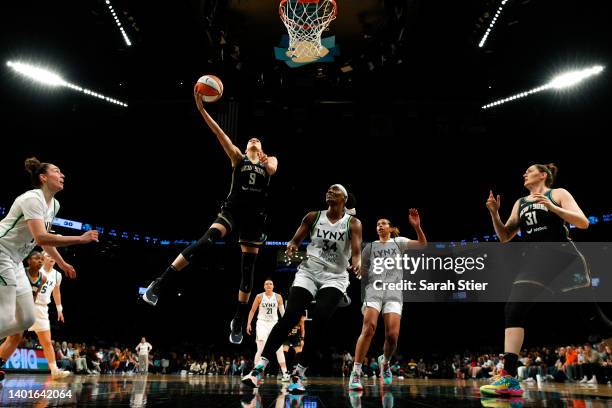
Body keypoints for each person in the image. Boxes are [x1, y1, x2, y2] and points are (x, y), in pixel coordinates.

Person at [143, 89, 278, 345]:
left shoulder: (268, 160)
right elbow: (219, 132)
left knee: (247, 271)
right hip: (233, 210)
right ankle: (160, 283)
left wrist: (266, 159)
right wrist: (202, 108)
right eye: (250, 140)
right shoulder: (237, 157)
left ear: (260, 147)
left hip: (255, 218)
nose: (253, 140)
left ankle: (238, 318)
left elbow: (272, 168)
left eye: (257, 140)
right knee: (205, 242)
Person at [480, 163, 589, 397]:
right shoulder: (520, 203)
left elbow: (583, 222)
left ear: (543, 175)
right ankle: (509, 379)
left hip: (564, 257)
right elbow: (504, 237)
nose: (524, 174)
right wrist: (494, 213)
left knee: (592, 318)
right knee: (513, 309)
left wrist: (552, 207)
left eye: (529, 171)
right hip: (537, 260)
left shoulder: (557, 193)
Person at [242, 184, 362, 393]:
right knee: (289, 316)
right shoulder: (313, 217)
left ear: (344, 198)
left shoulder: (353, 223)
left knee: (320, 317)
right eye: (328, 190)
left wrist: (358, 263)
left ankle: (299, 373)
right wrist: (292, 246)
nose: (329, 191)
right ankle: (259, 368)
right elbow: (295, 241)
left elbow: (357, 252)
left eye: (335, 190)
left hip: (334, 277)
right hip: (309, 272)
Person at [0, 157, 98, 381]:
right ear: (43, 177)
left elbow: (44, 243)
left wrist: (62, 264)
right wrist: (80, 239)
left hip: (15, 260)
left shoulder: (54, 205)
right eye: (57, 171)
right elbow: (41, 236)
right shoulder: (31, 198)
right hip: (1, 253)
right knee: (5, 319)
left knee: (25, 319)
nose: (62, 175)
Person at [349, 210, 427, 390]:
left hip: (394, 291)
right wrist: (359, 269)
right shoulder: (370, 247)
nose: (380, 226)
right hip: (374, 290)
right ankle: (356, 371)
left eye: (383, 223)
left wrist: (417, 227)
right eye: (377, 224)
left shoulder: (398, 242)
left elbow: (423, 244)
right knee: (369, 328)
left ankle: (385, 362)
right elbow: (362, 266)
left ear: (390, 229)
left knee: (392, 336)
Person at [246, 279, 290, 381]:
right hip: (262, 323)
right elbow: (252, 311)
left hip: (274, 324)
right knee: (261, 348)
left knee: (279, 350)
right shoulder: (259, 296)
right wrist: (248, 323)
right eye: (266, 284)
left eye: (270, 284)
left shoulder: (278, 297)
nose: (268, 285)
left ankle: (285, 373)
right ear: (264, 286)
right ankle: (255, 374)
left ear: (273, 286)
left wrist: (286, 325)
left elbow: (283, 313)